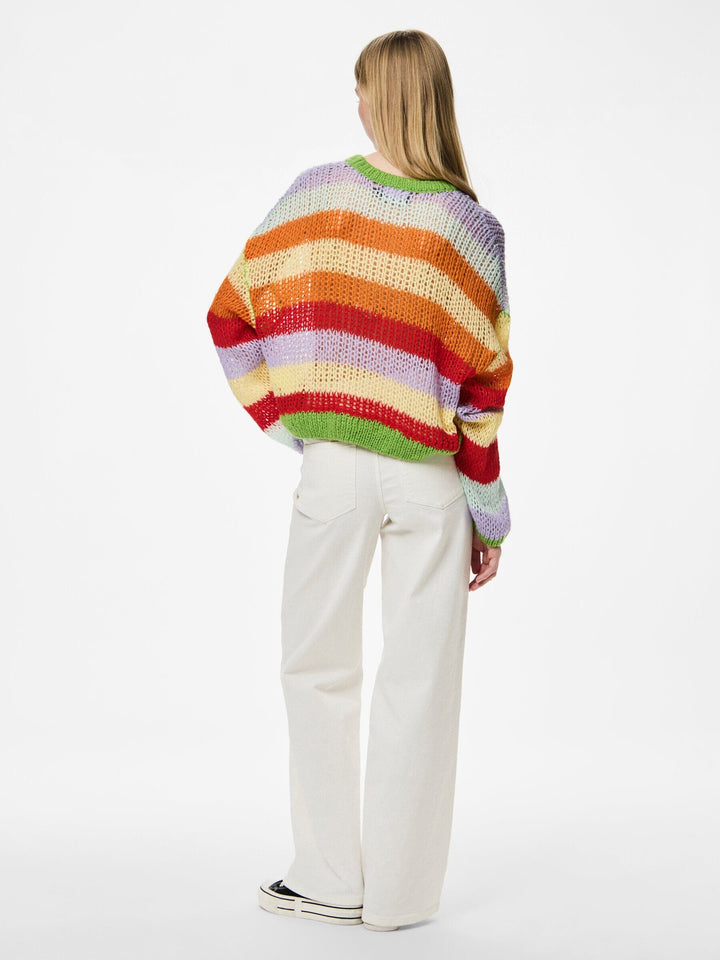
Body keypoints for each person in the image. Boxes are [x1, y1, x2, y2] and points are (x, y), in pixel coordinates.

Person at [206, 29, 513, 932]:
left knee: (317, 666)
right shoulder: (473, 230)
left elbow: (231, 312)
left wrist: (293, 423)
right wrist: (488, 514)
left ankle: (331, 877)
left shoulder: (318, 195)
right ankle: (403, 899)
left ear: (385, 97)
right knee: (421, 683)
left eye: (363, 88)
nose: (356, 103)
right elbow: (484, 396)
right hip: (431, 481)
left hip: (334, 473)